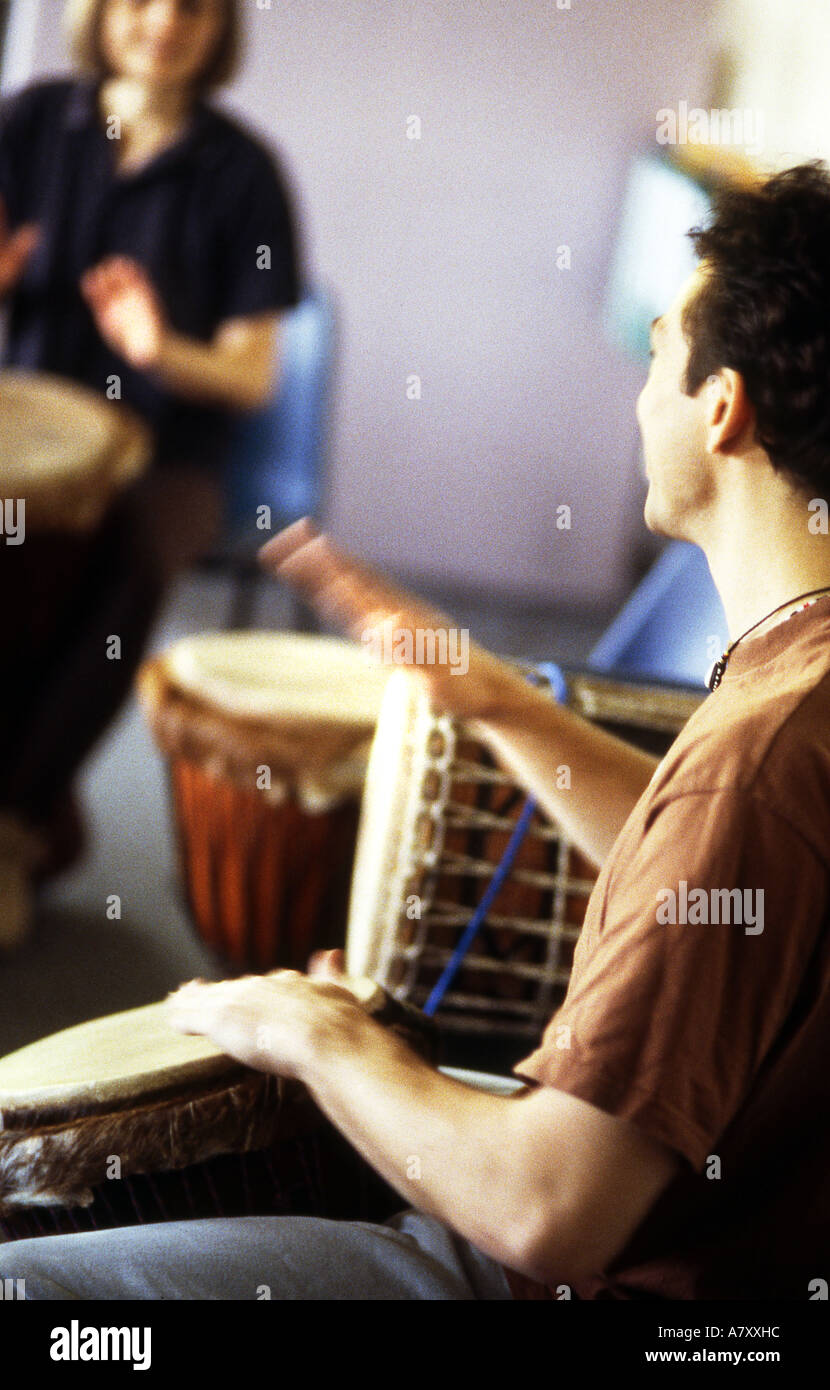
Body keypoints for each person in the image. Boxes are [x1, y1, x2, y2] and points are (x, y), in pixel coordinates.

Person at [3, 161, 830, 1300]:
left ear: (721, 405)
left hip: (600, 1281)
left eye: (655, 353)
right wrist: (487, 696)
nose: (642, 394)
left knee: (31, 1288)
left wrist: (317, 1035)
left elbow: (546, 1215)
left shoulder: (754, 759)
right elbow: (710, 872)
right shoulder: (798, 694)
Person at [0, 0, 300, 945]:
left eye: (195, 5)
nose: (164, 21)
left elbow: (252, 375)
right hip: (26, 425)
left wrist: (160, 347)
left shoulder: (246, 175)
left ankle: (11, 832)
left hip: (172, 448)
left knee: (140, 552)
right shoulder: (33, 121)